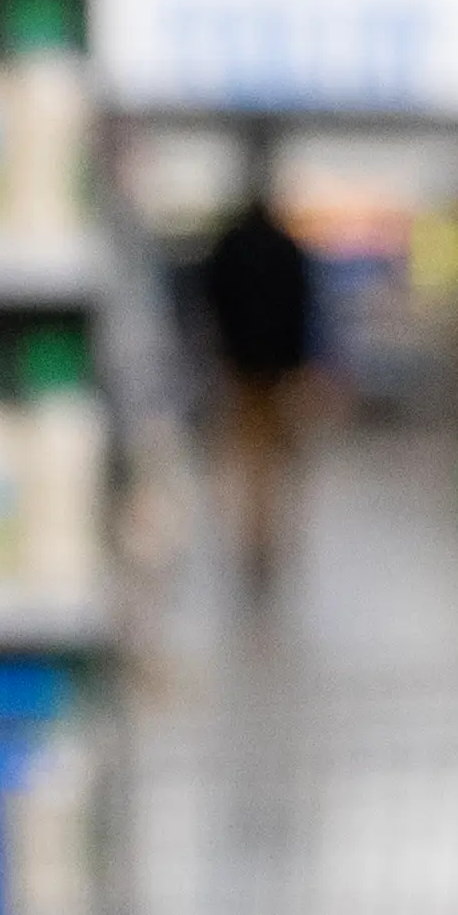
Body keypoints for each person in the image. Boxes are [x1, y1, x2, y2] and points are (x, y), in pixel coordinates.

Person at [195, 142, 323, 605]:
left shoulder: (228, 244)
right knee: (278, 459)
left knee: (249, 457)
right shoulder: (287, 246)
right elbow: (305, 306)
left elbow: (210, 300)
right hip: (277, 370)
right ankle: (269, 540)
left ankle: (253, 539)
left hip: (241, 367)